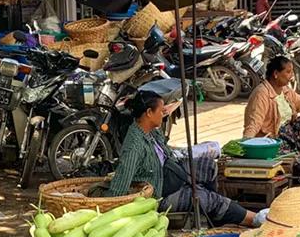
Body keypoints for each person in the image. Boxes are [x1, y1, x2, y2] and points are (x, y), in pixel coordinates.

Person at [107, 92, 256, 227]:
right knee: (205, 198)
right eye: (160, 111)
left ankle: (214, 213)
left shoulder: (151, 131)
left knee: (209, 166)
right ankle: (253, 219)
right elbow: (121, 182)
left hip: (170, 173)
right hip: (160, 194)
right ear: (148, 113)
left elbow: (167, 152)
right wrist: (109, 213)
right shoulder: (134, 145)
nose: (163, 113)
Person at [242, 55, 300, 151]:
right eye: (288, 72)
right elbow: (254, 123)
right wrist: (246, 144)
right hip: (274, 139)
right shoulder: (261, 94)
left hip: (290, 133)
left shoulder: (285, 90)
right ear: (276, 73)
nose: (292, 75)